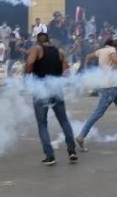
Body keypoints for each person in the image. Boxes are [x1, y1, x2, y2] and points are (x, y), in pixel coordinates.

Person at [76, 38, 117, 151]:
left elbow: (88, 57)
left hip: (113, 87)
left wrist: (86, 70)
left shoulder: (100, 51)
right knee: (98, 113)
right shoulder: (111, 49)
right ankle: (81, 136)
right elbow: (116, 59)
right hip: (109, 88)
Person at [24, 32, 78, 165]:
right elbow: (66, 72)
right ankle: (72, 151)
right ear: (48, 41)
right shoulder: (60, 52)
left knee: (42, 124)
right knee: (64, 121)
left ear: (38, 41)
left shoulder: (37, 49)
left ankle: (50, 156)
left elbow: (30, 63)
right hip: (56, 89)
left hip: (41, 90)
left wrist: (27, 75)